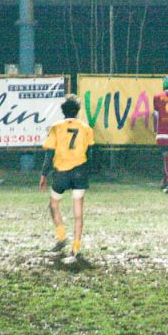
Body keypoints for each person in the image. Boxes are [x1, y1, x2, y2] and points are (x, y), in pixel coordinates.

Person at [40, 95, 95, 257]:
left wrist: (44, 174)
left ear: (62, 111)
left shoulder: (56, 127)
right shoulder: (86, 128)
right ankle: (76, 247)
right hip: (79, 171)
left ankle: (61, 235)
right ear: (78, 111)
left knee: (53, 205)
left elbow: (49, 154)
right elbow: (90, 153)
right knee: (78, 211)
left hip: (61, 172)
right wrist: (87, 172)